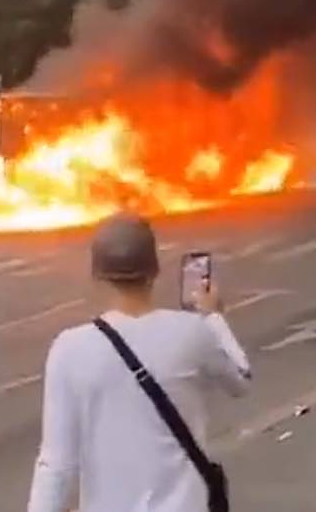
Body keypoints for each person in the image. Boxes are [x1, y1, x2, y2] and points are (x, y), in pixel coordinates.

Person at [28, 213, 251, 512]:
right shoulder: (191, 333)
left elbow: (56, 464)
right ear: (155, 270)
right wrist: (213, 317)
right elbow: (241, 380)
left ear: (98, 274)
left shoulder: (69, 349)